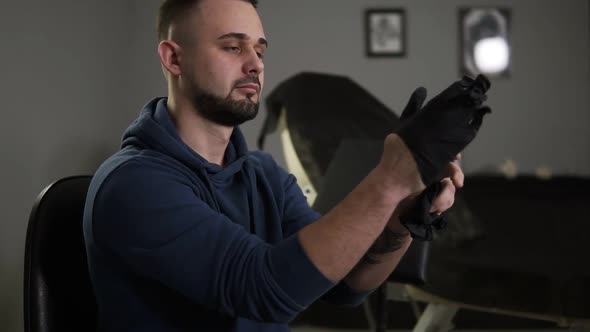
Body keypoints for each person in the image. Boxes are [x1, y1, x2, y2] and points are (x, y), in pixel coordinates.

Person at [82, 0, 490, 331]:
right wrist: (389, 178)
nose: (255, 64)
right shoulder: (133, 184)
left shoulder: (264, 175)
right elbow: (262, 289)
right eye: (232, 46)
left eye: (259, 49)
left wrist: (402, 217)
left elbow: (348, 285)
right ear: (174, 59)